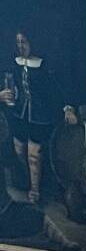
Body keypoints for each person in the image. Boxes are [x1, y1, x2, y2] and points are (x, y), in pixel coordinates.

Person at [0, 31, 57, 204]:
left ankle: (35, 190)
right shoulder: (14, 63)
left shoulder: (43, 65)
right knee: (19, 150)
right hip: (19, 114)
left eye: (24, 41)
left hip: (39, 116)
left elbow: (54, 91)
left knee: (34, 155)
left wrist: (66, 107)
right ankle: (26, 182)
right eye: (18, 42)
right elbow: (10, 86)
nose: (20, 46)